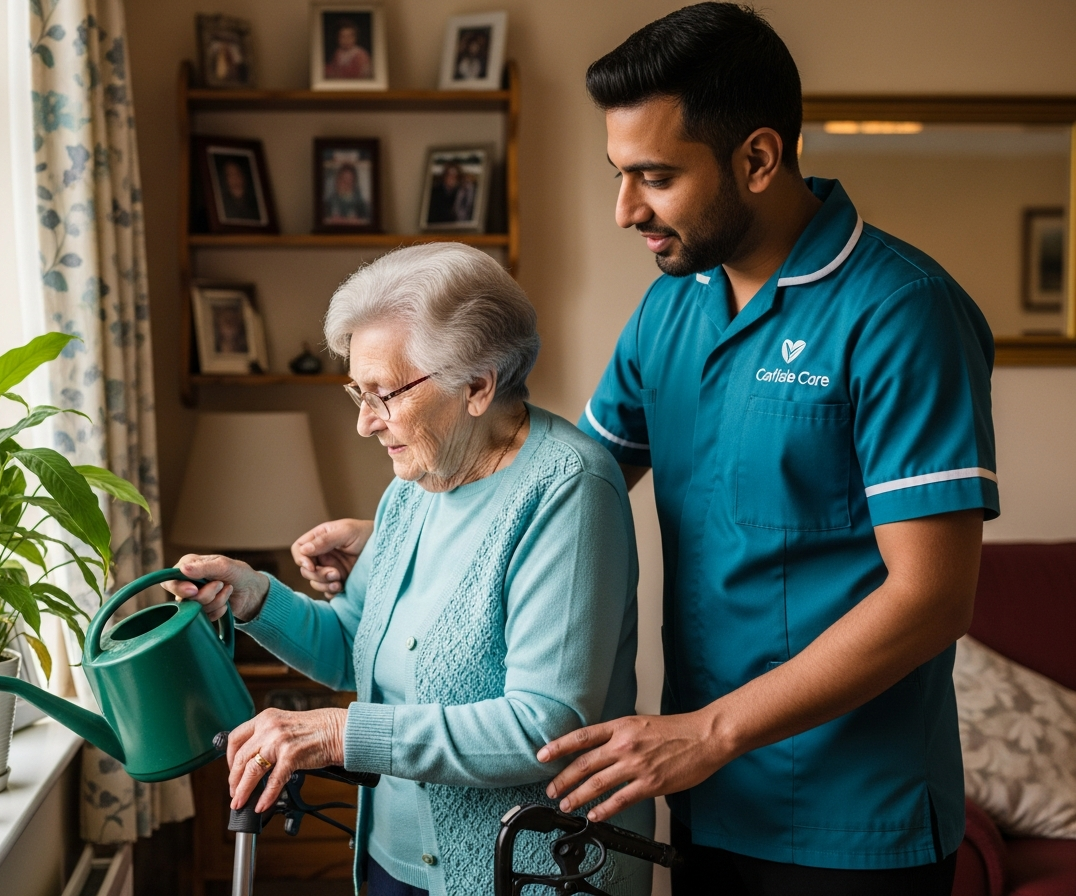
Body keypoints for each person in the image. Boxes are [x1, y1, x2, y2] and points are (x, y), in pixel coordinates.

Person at [291, 5, 997, 895]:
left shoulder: (902, 313)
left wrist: (711, 731)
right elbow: (558, 491)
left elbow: (934, 597)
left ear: (759, 158)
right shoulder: (672, 309)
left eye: (655, 177)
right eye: (620, 173)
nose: (626, 210)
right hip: (697, 791)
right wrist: (408, 539)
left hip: (851, 815)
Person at [164, 243, 653, 896]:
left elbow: (542, 724)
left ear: (478, 384)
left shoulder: (568, 490)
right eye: (357, 392)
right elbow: (351, 651)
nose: (366, 423)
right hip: (392, 862)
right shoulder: (415, 486)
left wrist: (339, 732)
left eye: (384, 394)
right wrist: (254, 597)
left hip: (526, 870)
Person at [217, 157, 260, 222]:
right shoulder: (222, 206)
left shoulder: (256, 205)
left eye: (237, 173)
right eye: (230, 175)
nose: (235, 179)